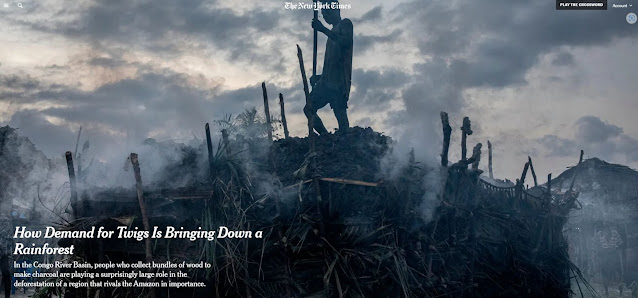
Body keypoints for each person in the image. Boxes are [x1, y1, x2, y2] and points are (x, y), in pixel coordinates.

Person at [305, 1, 353, 135]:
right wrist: (320, 76)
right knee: (309, 109)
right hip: (326, 82)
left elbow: (345, 42)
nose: (325, 15)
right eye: (323, 13)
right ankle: (326, 137)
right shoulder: (331, 33)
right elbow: (332, 64)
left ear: (336, 10)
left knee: (341, 117)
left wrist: (322, 30)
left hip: (338, 83)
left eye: (327, 11)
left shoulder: (345, 24)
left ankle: (345, 142)